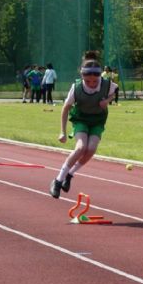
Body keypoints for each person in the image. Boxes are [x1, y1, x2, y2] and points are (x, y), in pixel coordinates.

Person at [50, 51, 118, 199]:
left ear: (100, 77)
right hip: (81, 119)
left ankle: (70, 174)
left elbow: (114, 92)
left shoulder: (107, 84)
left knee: (91, 149)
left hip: (98, 120)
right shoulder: (76, 87)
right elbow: (66, 108)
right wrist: (62, 131)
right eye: (88, 81)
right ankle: (58, 180)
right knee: (81, 147)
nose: (92, 84)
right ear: (82, 76)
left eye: (95, 81)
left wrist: (107, 101)